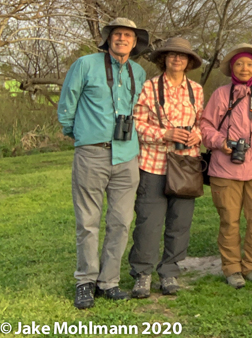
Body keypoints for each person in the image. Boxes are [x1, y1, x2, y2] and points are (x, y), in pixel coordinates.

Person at [58, 17, 148, 309]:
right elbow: (67, 104)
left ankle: (108, 282)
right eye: (117, 34)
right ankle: (85, 280)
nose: (122, 39)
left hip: (127, 155)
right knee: (88, 221)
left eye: (128, 36)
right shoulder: (85, 64)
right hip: (92, 153)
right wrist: (81, 135)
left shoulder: (139, 72)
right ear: (109, 38)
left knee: (121, 222)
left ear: (135, 43)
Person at [200, 43, 252, 288]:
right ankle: (232, 269)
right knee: (229, 222)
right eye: (239, 63)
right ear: (232, 68)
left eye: (249, 64)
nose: (245, 68)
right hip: (224, 171)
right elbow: (205, 127)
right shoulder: (220, 94)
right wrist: (221, 142)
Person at [128, 37, 204, 298]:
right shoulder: (148, 87)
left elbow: (203, 123)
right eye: (172, 55)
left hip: (186, 166)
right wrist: (165, 134)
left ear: (189, 61)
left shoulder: (196, 89)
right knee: (148, 223)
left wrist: (197, 135)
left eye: (182, 56)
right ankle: (142, 274)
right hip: (153, 164)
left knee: (179, 223)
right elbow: (136, 125)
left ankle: (170, 272)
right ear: (164, 59)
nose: (177, 59)